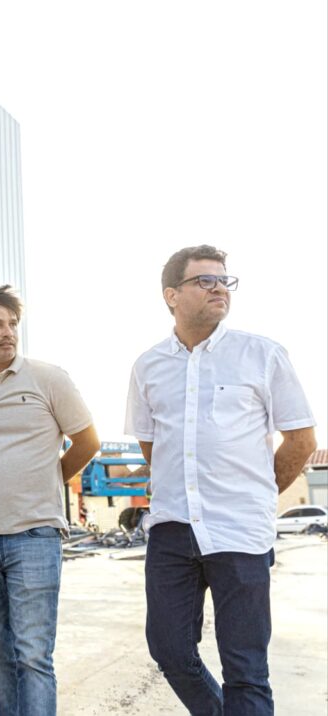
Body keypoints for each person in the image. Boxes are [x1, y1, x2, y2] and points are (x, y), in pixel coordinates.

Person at [125, 245, 316, 715]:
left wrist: (257, 493)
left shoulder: (262, 354)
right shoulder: (148, 366)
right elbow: (151, 446)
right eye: (204, 281)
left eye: (224, 280)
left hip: (239, 530)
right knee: (170, 650)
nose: (219, 289)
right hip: (172, 528)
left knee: (245, 669)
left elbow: (301, 439)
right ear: (171, 295)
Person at [0, 285, 99, 716]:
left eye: (12, 324)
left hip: (35, 536)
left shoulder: (49, 379)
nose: (8, 333)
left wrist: (48, 479)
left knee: (33, 656)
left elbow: (87, 442)